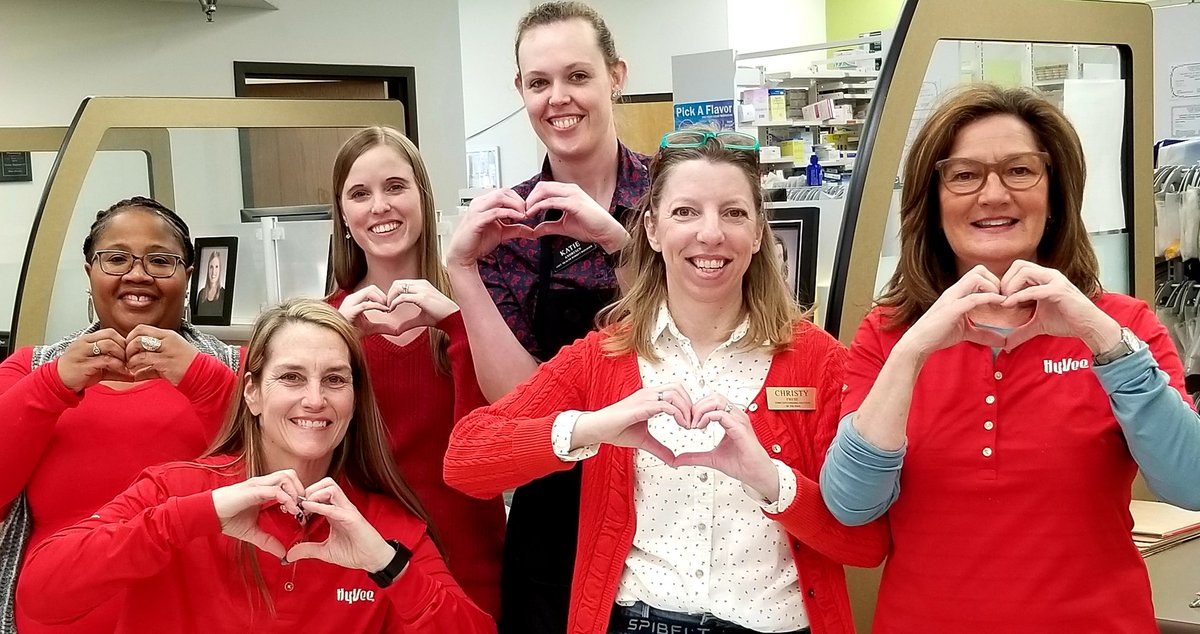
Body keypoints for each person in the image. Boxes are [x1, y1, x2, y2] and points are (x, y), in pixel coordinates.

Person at [446, 131, 889, 634]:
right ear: (652, 230)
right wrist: (592, 428)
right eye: (685, 212)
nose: (711, 234)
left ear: (760, 231)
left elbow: (868, 542)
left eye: (734, 213)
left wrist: (771, 481)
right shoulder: (604, 357)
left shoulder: (821, 362)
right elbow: (465, 460)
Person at [820, 84, 1200, 632]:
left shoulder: (1123, 328)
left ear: (1056, 194)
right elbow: (851, 505)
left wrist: (1104, 339)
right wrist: (913, 352)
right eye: (964, 175)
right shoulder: (889, 336)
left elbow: (1190, 485)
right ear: (933, 201)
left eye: (1020, 171)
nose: (993, 195)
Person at [18, 298, 496, 633]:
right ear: (252, 393)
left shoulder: (385, 527)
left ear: (354, 400)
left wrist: (387, 566)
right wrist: (192, 518)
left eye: (334, 379)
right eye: (291, 377)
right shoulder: (174, 491)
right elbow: (41, 594)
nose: (315, 399)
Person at [444, 3, 650, 630]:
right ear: (520, 91)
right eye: (539, 82)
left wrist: (621, 243)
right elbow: (519, 403)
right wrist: (462, 271)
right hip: (556, 501)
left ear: (616, 75)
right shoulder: (510, 227)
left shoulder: (677, 198)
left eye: (578, 76)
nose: (559, 98)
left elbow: (718, 331)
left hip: (668, 488)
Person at [0, 196, 241, 634]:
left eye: (160, 261)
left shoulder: (238, 368)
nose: (137, 274)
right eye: (115, 259)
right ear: (89, 271)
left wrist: (201, 379)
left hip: (205, 619)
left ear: (188, 275)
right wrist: (54, 385)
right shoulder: (28, 370)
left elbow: (280, 473)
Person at [328, 126, 504, 617]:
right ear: (343, 215)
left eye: (395, 187)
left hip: (470, 572)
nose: (379, 206)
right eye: (360, 194)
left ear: (423, 199)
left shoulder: (478, 311)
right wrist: (332, 344)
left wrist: (458, 326)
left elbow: (486, 458)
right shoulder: (323, 326)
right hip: (355, 581)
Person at [195, 249, 225, 317]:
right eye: (211, 267)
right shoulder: (201, 294)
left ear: (220, 269)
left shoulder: (224, 294)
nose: (213, 272)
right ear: (208, 269)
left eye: (216, 267)